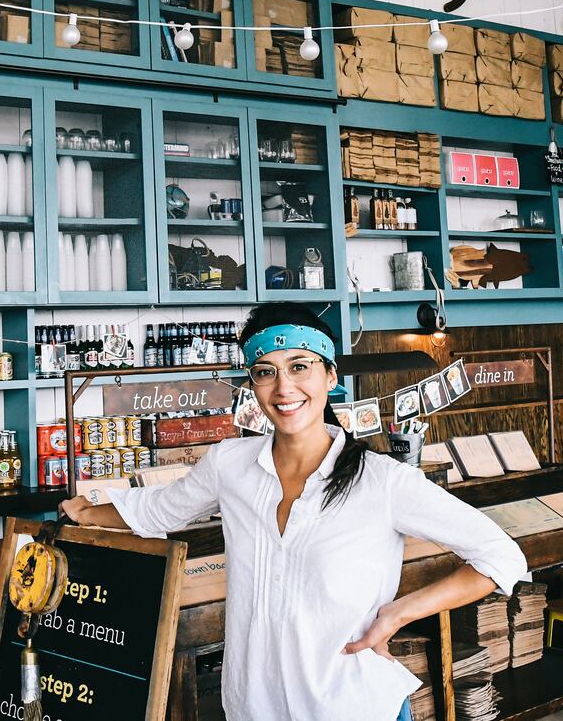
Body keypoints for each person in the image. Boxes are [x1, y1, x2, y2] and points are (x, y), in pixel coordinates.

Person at [60, 303, 527, 721]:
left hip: (351, 707)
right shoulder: (231, 465)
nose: (284, 388)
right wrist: (87, 512)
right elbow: (159, 510)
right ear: (253, 384)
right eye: (265, 372)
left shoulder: (382, 480)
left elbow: (501, 557)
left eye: (300, 367)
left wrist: (398, 614)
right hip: (251, 705)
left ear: (330, 376)